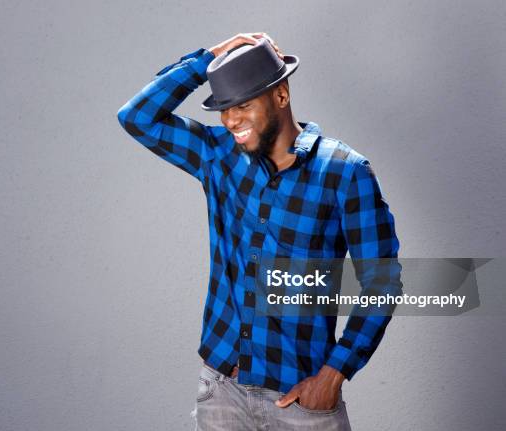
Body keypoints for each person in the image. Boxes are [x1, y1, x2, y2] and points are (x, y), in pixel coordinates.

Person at [117, 32, 401, 430]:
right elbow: (136, 117)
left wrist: (335, 373)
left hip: (301, 401)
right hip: (221, 391)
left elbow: (383, 281)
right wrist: (207, 61)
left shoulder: (344, 172)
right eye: (224, 109)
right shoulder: (217, 155)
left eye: (243, 105)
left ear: (281, 96)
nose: (231, 120)